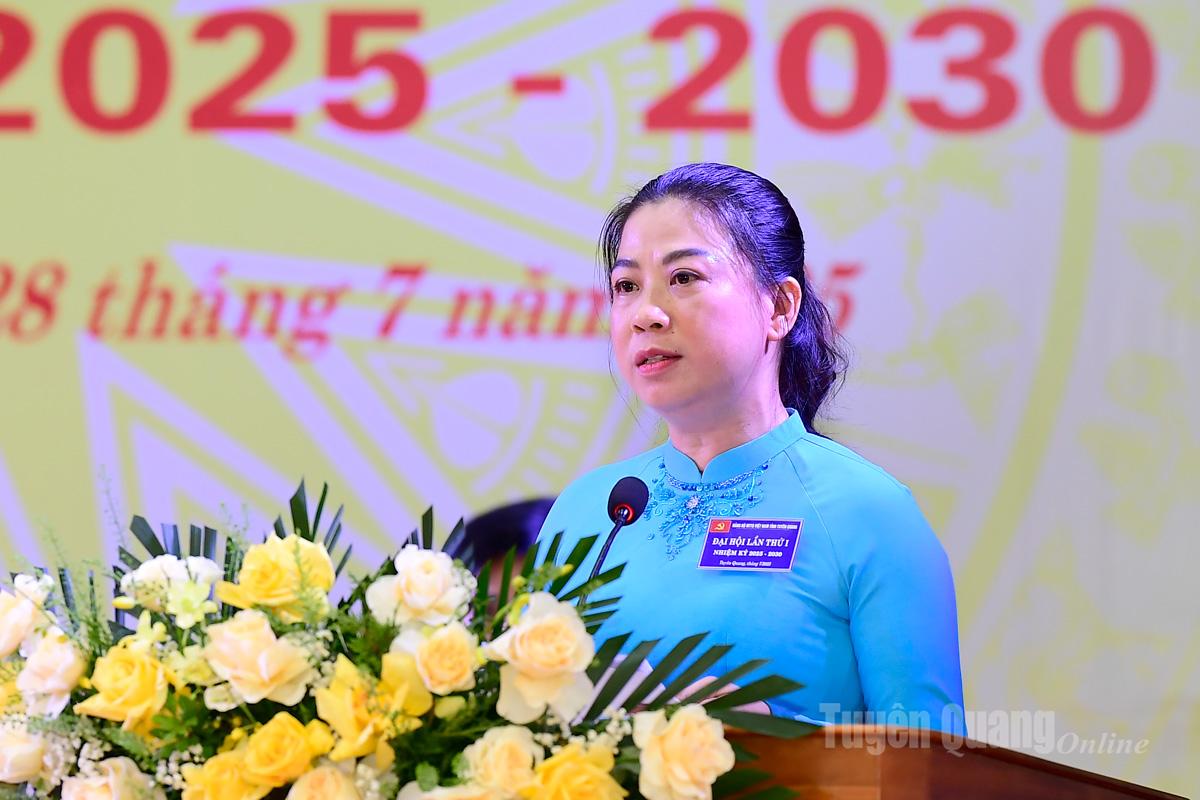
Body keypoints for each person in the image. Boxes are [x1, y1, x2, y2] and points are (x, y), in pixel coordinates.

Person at [536, 163, 964, 731]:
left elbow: (931, 764)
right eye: (626, 287)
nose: (646, 315)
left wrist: (776, 740)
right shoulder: (587, 510)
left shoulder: (868, 512)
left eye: (684, 277)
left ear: (779, 307)